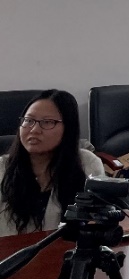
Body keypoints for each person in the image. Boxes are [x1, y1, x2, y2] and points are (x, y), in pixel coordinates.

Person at [0, 90, 103, 237]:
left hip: (68, 249)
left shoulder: (88, 164)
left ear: (68, 128)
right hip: (12, 250)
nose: (34, 130)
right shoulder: (2, 168)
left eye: (47, 122)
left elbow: (98, 221)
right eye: (28, 120)